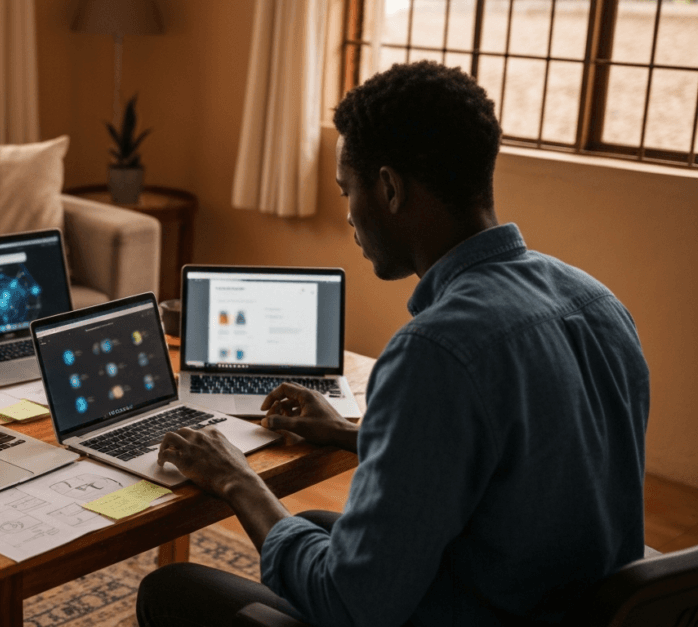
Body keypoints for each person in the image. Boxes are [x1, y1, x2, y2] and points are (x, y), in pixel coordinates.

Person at [136, 60, 650, 626]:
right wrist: (349, 433)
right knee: (309, 527)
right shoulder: (597, 302)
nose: (349, 215)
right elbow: (513, 465)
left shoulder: (436, 350)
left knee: (171, 589)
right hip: (563, 605)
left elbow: (349, 603)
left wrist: (236, 479)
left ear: (389, 188)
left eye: (347, 191)